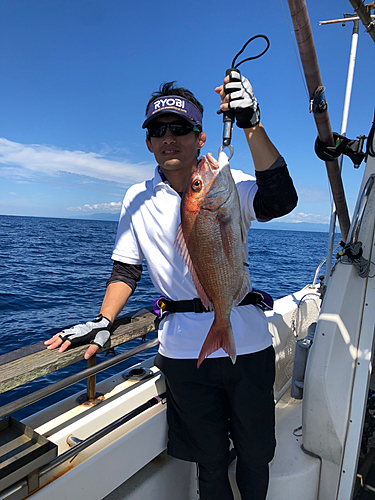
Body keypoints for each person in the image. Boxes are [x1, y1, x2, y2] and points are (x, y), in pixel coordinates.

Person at [45, 70, 298, 500]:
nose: (169, 137)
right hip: (183, 354)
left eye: (180, 128)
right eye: (158, 130)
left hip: (248, 341)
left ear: (200, 137)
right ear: (148, 142)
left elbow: (281, 200)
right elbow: (126, 269)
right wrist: (104, 321)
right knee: (210, 460)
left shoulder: (227, 184)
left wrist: (251, 123)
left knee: (256, 455)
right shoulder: (136, 198)